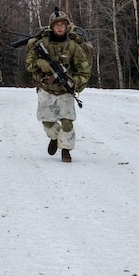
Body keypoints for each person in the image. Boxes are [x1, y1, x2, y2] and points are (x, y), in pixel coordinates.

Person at [25, 10, 91, 163]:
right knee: (47, 121)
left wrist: (73, 82)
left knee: (67, 121)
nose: (60, 27)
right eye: (57, 25)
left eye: (62, 24)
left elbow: (84, 70)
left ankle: (66, 150)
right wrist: (41, 64)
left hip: (65, 89)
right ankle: (55, 137)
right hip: (46, 88)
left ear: (67, 26)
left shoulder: (73, 46)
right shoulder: (42, 44)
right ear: (52, 26)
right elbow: (29, 64)